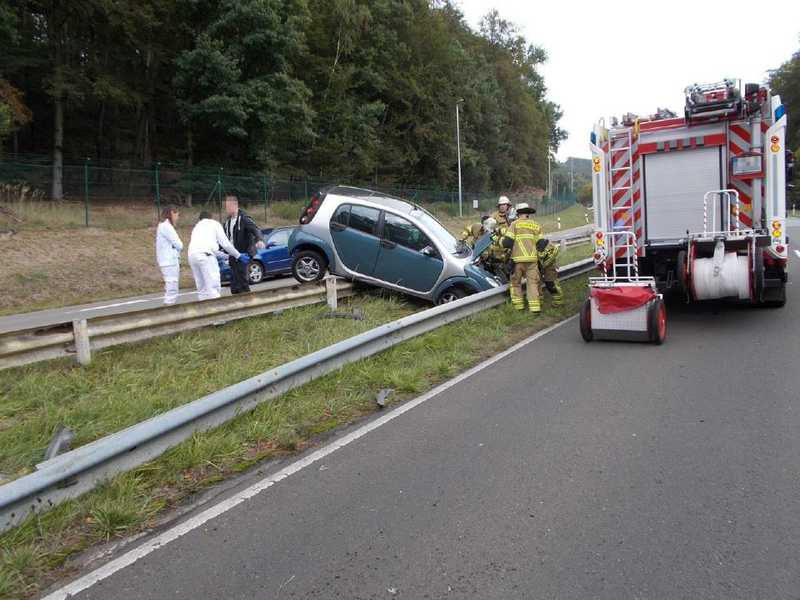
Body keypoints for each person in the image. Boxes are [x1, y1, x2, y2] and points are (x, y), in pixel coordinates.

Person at [188, 211, 250, 301]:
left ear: (200, 219)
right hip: (206, 257)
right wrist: (238, 255)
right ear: (211, 217)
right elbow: (226, 244)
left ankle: (204, 312)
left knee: (202, 289)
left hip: (192, 256)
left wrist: (229, 256)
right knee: (213, 286)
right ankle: (217, 310)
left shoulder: (196, 227)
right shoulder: (214, 224)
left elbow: (213, 251)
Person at [501, 203, 543, 313]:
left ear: (518, 213)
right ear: (528, 213)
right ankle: (535, 309)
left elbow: (507, 243)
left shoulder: (514, 224)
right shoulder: (536, 225)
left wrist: (500, 240)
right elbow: (541, 244)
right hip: (532, 261)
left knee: (515, 283)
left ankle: (519, 307)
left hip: (517, 261)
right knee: (533, 283)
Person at [223, 195, 265, 294]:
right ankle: (237, 302)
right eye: (225, 206)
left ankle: (249, 303)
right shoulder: (227, 222)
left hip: (244, 254)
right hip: (233, 255)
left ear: (235, 205)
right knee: (234, 283)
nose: (226, 209)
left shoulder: (244, 219)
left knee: (242, 280)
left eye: (228, 206)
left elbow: (255, 229)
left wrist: (259, 240)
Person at [155, 205, 183, 305]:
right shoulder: (166, 227)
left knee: (171, 287)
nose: (177, 218)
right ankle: (167, 311)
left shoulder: (163, 227)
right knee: (172, 288)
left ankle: (167, 309)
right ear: (172, 213)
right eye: (176, 215)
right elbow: (179, 245)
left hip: (167, 261)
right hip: (169, 261)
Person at [536, 238, 563, 307]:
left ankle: (558, 301)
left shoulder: (551, 250)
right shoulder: (540, 250)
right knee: (546, 284)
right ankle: (556, 300)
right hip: (543, 269)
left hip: (550, 269)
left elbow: (546, 259)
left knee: (552, 284)